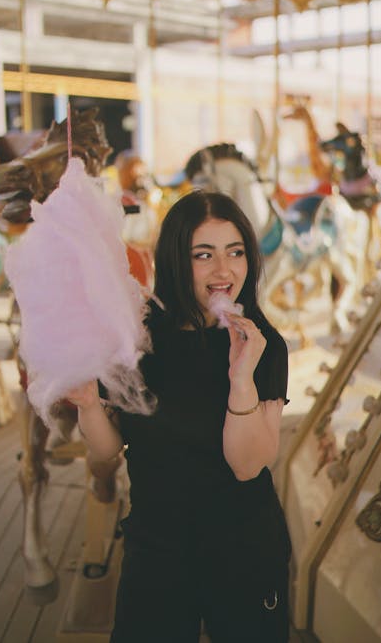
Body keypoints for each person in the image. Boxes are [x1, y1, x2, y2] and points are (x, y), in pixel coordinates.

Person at [67, 190, 291, 643]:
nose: (224, 270)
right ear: (174, 261)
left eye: (235, 252)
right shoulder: (138, 337)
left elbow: (248, 464)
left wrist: (241, 378)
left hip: (243, 549)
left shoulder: (263, 345)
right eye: (203, 255)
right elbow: (110, 448)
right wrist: (89, 405)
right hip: (156, 549)